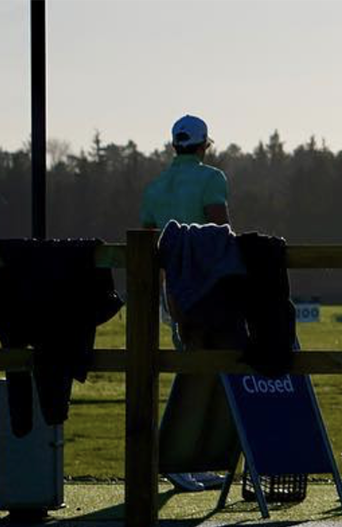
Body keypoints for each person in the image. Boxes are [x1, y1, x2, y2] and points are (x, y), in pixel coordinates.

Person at [141, 114, 232, 492]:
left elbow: (147, 242)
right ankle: (177, 457)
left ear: (174, 145)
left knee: (195, 369)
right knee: (198, 372)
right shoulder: (213, 179)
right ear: (204, 145)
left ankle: (193, 458)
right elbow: (222, 233)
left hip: (171, 290)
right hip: (206, 289)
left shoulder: (154, 188)